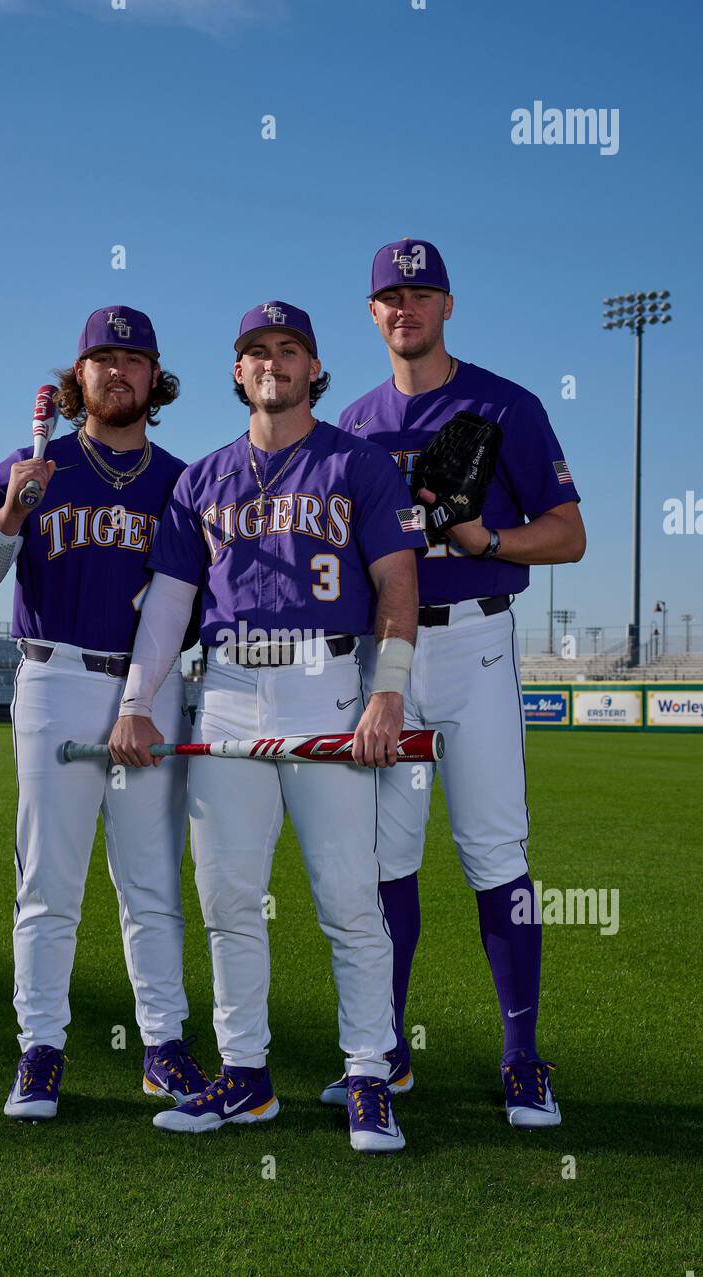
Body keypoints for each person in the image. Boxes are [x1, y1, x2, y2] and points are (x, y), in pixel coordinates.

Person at [109, 301, 425, 1153]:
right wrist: (138, 700)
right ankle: (244, 1075)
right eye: (257, 351)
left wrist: (387, 692)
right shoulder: (201, 478)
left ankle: (367, 1073)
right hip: (229, 689)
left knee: (350, 900)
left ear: (314, 369)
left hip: (326, 686)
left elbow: (398, 581)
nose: (274, 362)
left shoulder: (357, 464)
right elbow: (171, 603)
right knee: (229, 900)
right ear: (239, 372)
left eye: (290, 350)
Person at [324, 240, 585, 1127]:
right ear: (372, 313)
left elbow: (569, 533)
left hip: (475, 647)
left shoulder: (505, 403)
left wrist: (487, 541)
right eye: (391, 297)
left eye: (422, 293)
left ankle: (522, 1057)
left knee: (495, 853)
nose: (407, 308)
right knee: (385, 859)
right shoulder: (350, 424)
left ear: (447, 305)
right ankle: (387, 1053)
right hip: (379, 656)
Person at [0, 305, 207, 1120]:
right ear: (79, 376)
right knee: (49, 879)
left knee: (152, 881)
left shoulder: (183, 479)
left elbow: (197, 598)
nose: (118, 371)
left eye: (133, 359)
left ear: (154, 376)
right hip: (53, 674)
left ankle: (163, 1048)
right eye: (103, 358)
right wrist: (11, 514)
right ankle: (41, 1050)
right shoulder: (36, 465)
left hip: (151, 684)